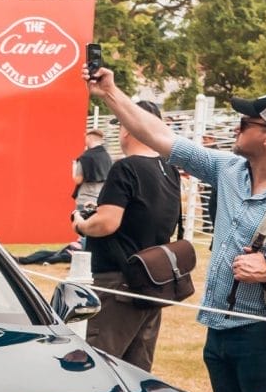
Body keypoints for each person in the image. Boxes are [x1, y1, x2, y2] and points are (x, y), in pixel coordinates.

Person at [90, 67, 266, 392]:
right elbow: (158, 135)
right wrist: (111, 93)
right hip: (216, 330)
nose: (236, 128)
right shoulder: (228, 169)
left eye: (244, 123)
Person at [72, 100, 183, 371]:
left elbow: (106, 224)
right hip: (152, 280)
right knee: (137, 371)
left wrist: (81, 224)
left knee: (100, 367)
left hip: (117, 282)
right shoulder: (169, 169)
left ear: (130, 128)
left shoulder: (126, 168)